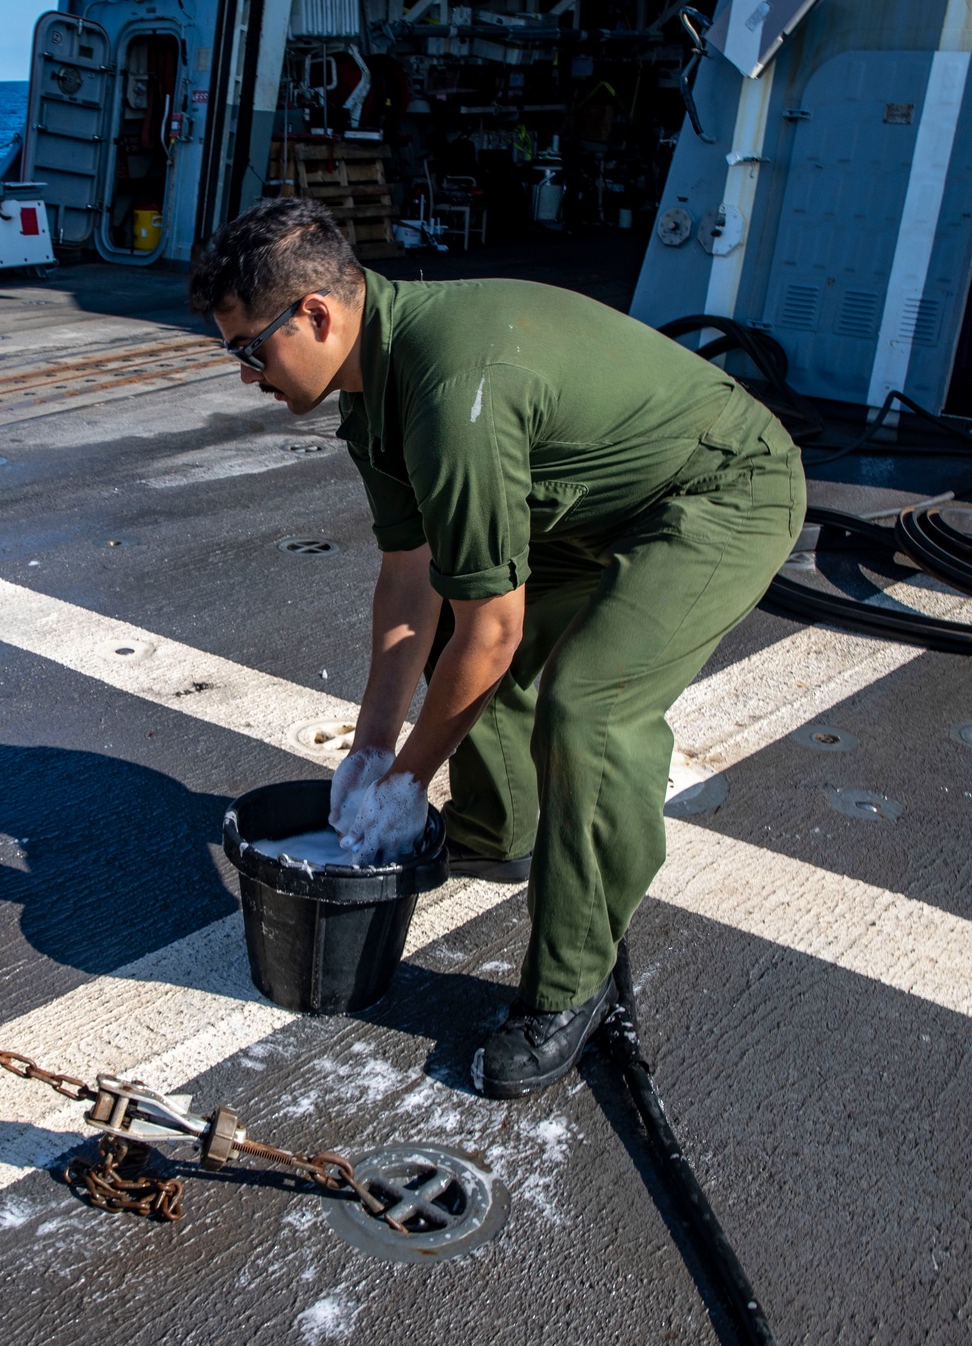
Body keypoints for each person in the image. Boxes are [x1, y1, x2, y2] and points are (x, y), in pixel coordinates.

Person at [189, 197, 806, 1100]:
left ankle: (572, 981)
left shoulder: (449, 391)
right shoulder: (371, 390)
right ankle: (499, 830)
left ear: (316, 314)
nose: (245, 373)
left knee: (588, 711)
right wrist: (369, 750)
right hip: (590, 499)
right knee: (468, 671)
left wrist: (408, 781)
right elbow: (410, 585)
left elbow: (492, 627)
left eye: (250, 348)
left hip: (719, 490)